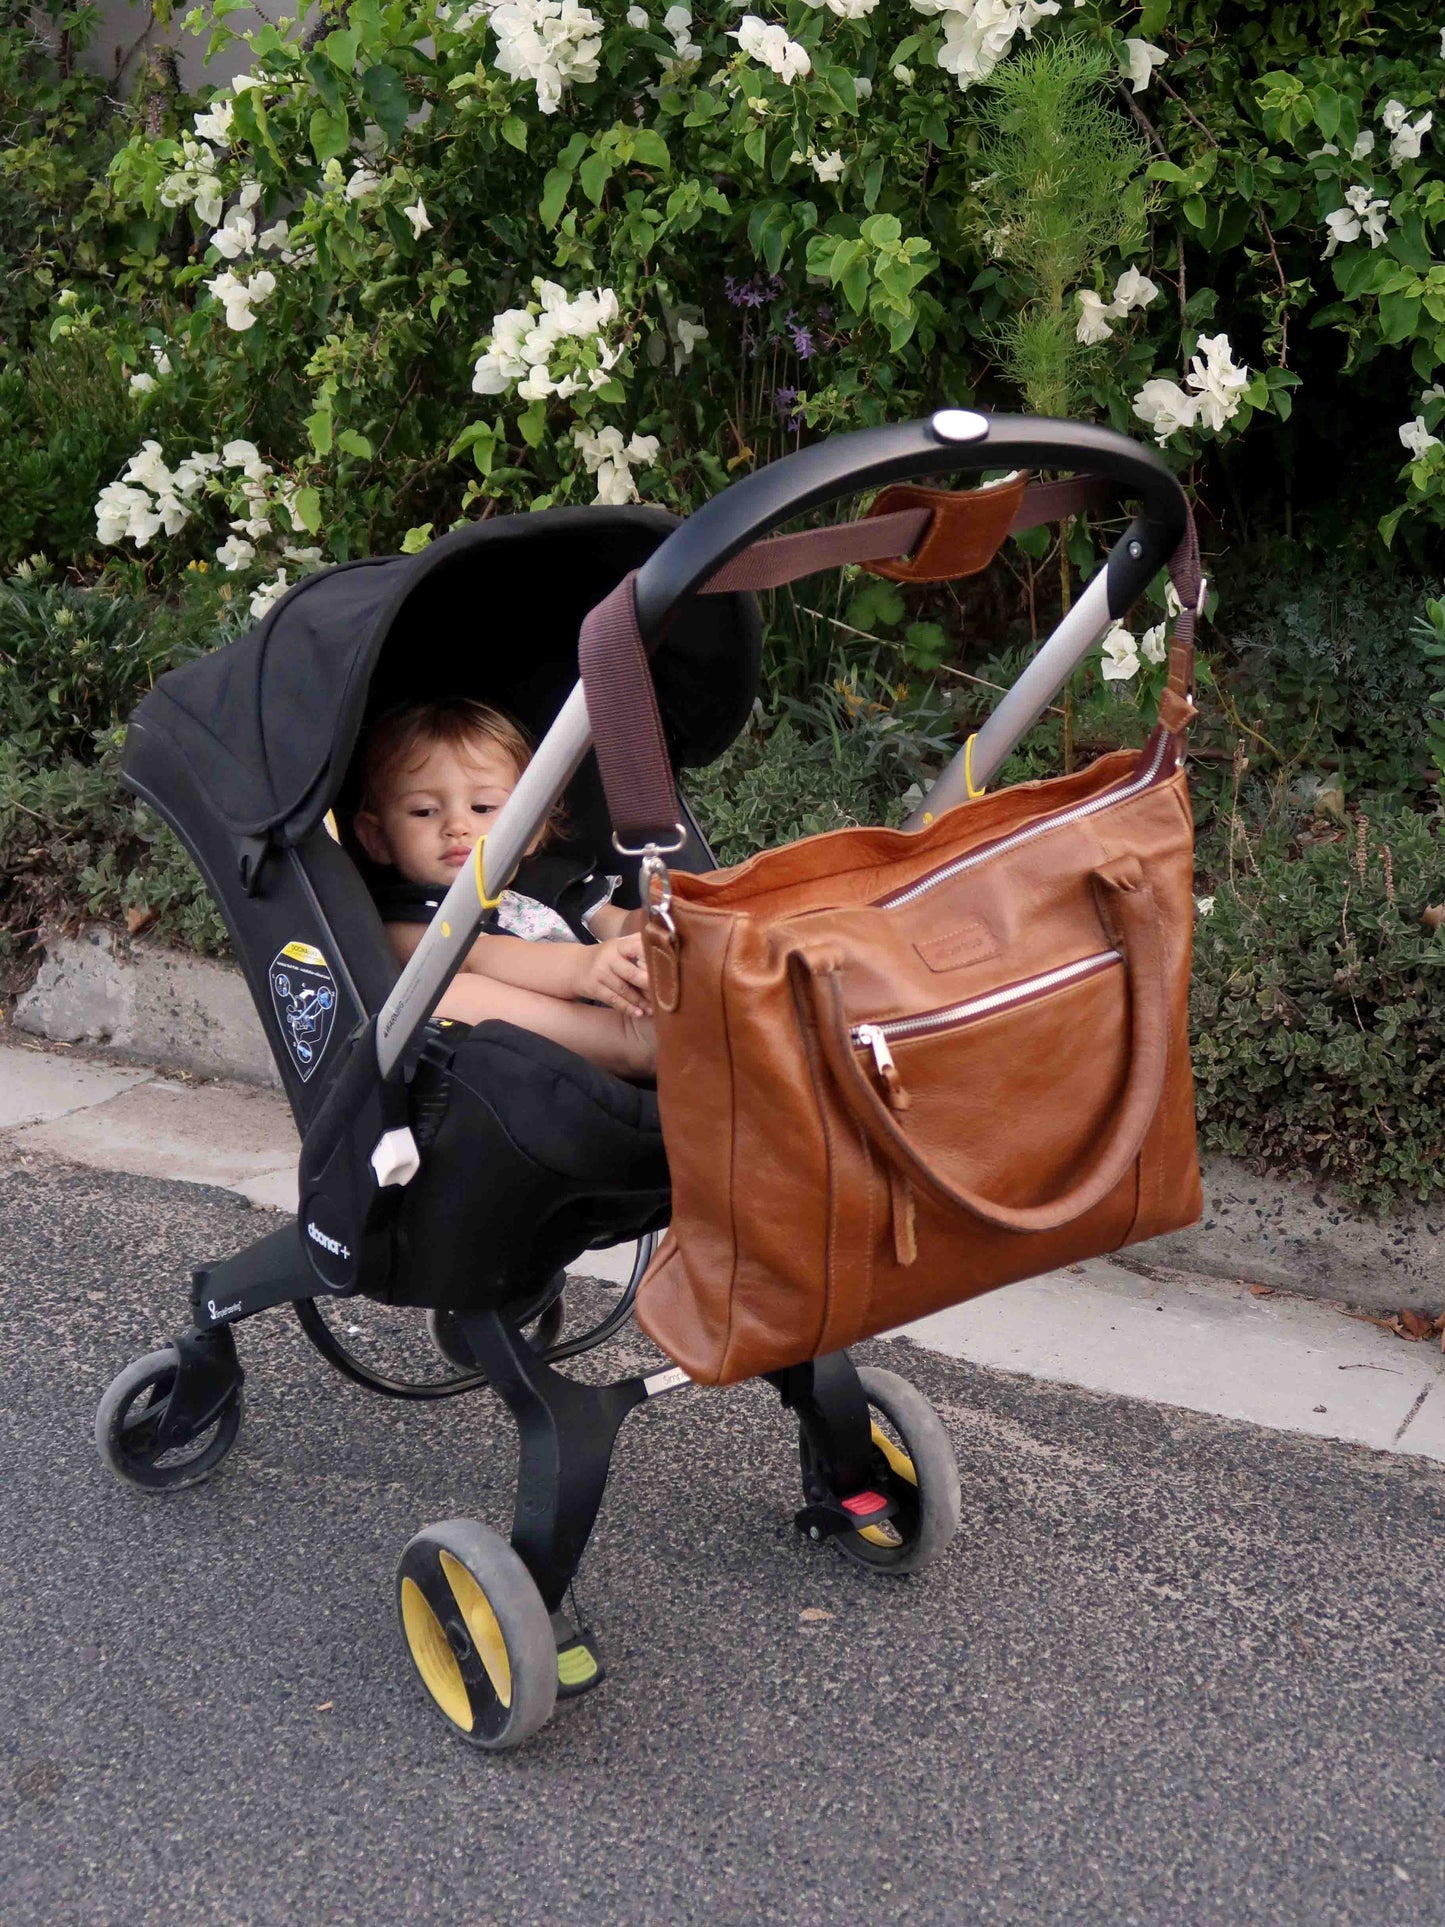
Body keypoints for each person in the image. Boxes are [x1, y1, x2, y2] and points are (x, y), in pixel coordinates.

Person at [353, 697, 656, 1079]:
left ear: (531, 827)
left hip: (633, 999)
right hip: (562, 1052)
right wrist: (583, 965)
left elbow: (619, 924)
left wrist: (655, 925)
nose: (457, 826)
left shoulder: (551, 882)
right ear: (377, 838)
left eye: (482, 808)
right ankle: (630, 1043)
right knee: (447, 995)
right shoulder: (405, 923)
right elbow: (484, 955)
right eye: (424, 811)